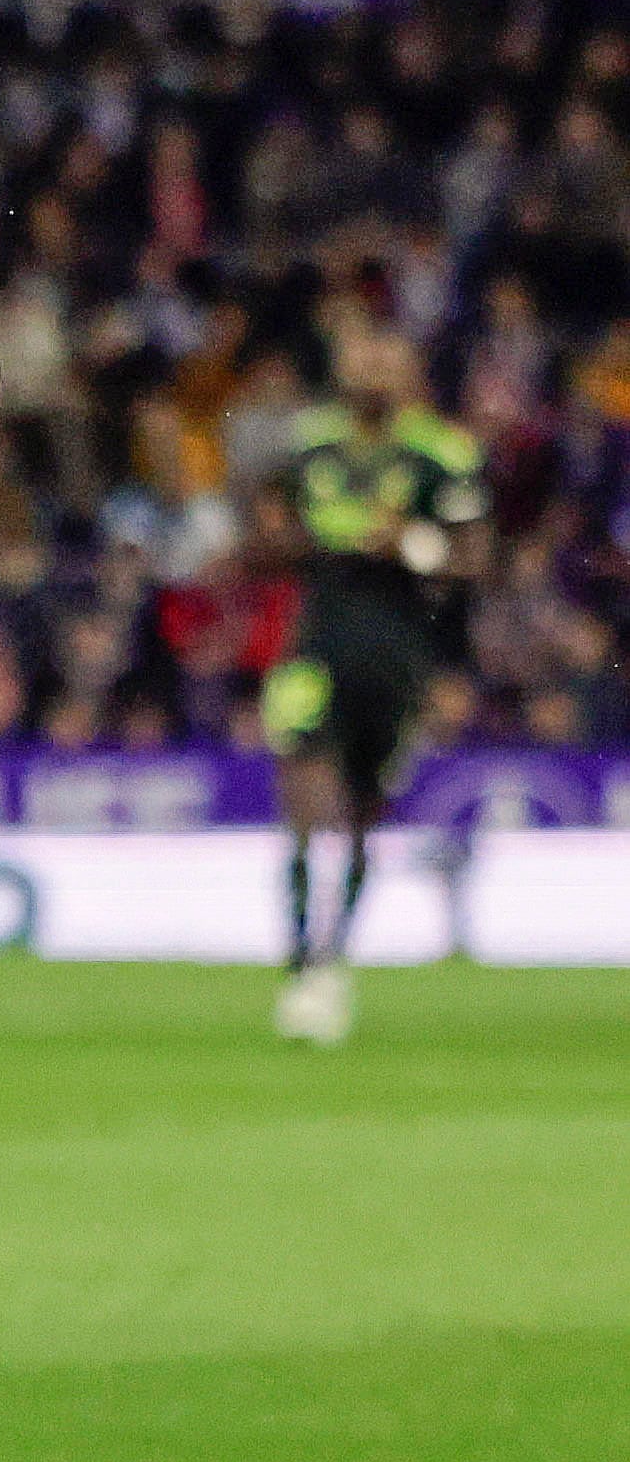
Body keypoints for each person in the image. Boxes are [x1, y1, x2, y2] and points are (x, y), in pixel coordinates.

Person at [263, 318, 483, 1044]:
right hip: (313, 647)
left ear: (409, 371)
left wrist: (411, 545)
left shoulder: (442, 454)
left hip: (395, 656)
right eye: (362, 351)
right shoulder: (311, 443)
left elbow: (474, 558)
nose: (372, 368)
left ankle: (333, 958)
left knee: (360, 817)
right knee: (303, 803)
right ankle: (303, 962)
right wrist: (323, 537)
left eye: (386, 355)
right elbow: (271, 533)